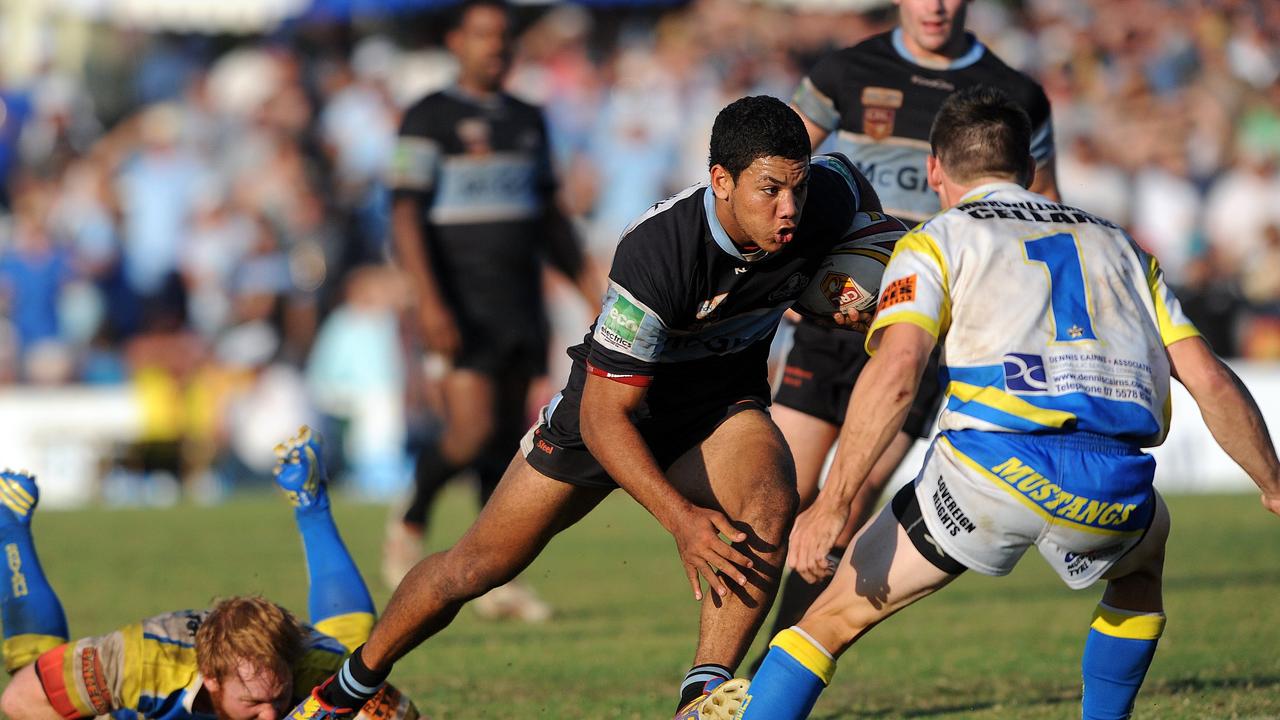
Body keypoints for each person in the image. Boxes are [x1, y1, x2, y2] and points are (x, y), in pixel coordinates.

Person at [283, 95, 880, 720]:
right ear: (721, 182)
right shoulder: (657, 254)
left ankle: (702, 698)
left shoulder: (826, 195)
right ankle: (346, 689)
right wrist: (680, 519)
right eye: (769, 190)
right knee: (474, 568)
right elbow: (603, 419)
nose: (789, 208)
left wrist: (852, 281)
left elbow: (855, 192)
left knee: (770, 504)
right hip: (611, 414)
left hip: (718, 405)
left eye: (797, 187)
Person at [695, 85, 1280, 719]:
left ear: (934, 170)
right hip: (1114, 481)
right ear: (1030, 169)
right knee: (1141, 572)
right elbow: (1212, 382)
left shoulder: (938, 238)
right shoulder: (1124, 247)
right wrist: (1273, 485)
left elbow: (897, 371)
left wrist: (833, 504)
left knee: (829, 619)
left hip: (988, 472)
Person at [763, 0, 1063, 648]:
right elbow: (771, 169)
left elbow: (1044, 216)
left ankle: (764, 682)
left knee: (844, 512)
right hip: (832, 321)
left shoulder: (1016, 94)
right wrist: (773, 271)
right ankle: (713, 675)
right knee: (769, 506)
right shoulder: (846, 70)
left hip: (923, 339)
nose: (935, 5)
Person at [382, 0, 601, 619]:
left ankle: (493, 574)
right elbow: (404, 214)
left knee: (506, 441)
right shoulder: (429, 118)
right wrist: (427, 299)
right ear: (456, 41)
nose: (495, 47)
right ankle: (410, 521)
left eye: (503, 36)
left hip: (518, 301)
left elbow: (550, 220)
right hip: (457, 302)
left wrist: (590, 291)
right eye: (482, 35)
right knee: (470, 429)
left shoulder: (528, 120)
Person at [0, 427, 418, 720]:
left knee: (355, 655)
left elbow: (406, 717)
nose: (271, 715)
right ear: (213, 681)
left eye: (279, 697)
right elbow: (19, 704)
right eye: (253, 703)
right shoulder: (143, 662)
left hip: (318, 657)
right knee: (37, 682)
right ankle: (9, 523)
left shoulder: (314, 666)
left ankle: (312, 503)